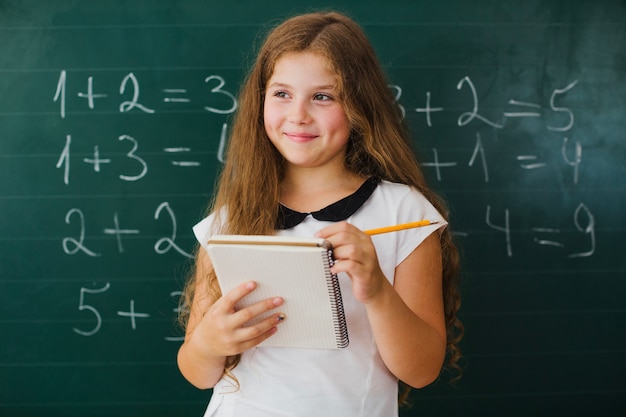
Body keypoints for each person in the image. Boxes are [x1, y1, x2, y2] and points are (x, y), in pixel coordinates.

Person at [177, 10, 462, 417]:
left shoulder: (405, 211)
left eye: (323, 96)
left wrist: (377, 289)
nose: (298, 115)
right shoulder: (232, 218)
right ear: (261, 101)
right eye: (281, 94)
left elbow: (421, 371)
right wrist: (209, 344)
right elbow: (197, 372)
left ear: (359, 106)